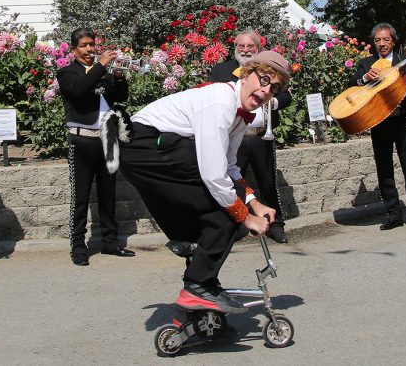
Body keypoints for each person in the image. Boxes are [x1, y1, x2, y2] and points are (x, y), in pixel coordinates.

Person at [118, 51, 289, 313]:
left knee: (217, 215)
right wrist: (245, 216)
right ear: (245, 75)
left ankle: (201, 295)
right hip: (145, 146)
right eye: (264, 80)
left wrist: (255, 204)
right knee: (226, 212)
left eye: (274, 87)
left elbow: (230, 166)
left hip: (157, 151)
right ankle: (198, 285)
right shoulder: (221, 101)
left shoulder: (241, 114)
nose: (267, 91)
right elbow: (213, 172)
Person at [57, 28, 135, 266]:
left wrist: (119, 76)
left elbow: (121, 96)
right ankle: (78, 247)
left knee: (108, 194)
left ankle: (110, 243)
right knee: (80, 197)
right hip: (81, 140)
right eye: (83, 45)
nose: (89, 49)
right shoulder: (67, 72)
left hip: (107, 138)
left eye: (92, 44)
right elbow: (78, 91)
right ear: (74, 49)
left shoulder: (104, 71)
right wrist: (100, 66)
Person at [209, 30, 292, 243]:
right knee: (232, 184)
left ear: (258, 49)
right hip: (234, 138)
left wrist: (272, 102)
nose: (245, 50)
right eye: (241, 46)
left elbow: (286, 95)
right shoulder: (222, 69)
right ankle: (234, 227)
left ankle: (276, 225)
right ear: (235, 48)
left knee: (267, 183)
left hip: (259, 136)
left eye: (250, 47)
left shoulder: (268, 68)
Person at [351, 23, 406, 231]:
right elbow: (352, 83)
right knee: (384, 170)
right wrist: (365, 78)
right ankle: (393, 214)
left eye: (385, 40)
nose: (381, 44)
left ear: (393, 41)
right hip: (379, 122)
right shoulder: (367, 63)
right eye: (377, 40)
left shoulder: (405, 61)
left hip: (403, 121)